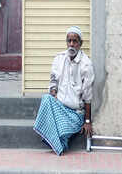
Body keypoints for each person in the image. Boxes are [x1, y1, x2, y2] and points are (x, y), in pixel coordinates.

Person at [33, 26, 95, 155]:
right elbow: (53, 82)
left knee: (62, 131)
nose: (71, 44)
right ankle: (57, 142)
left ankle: (57, 142)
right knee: (46, 99)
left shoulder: (86, 64)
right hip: (60, 107)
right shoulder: (59, 59)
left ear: (80, 44)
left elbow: (88, 96)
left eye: (75, 41)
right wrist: (54, 94)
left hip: (75, 114)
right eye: (69, 41)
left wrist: (87, 121)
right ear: (66, 42)